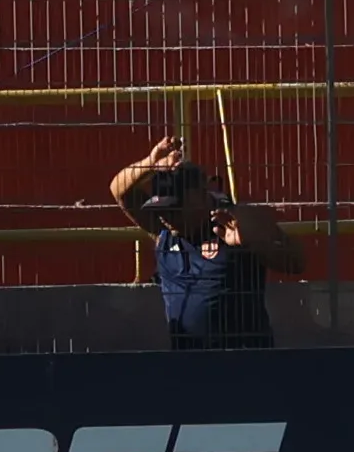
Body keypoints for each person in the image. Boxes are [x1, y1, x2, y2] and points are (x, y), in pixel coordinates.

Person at [109, 132, 304, 347]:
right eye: (160, 209)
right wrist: (150, 163)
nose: (165, 217)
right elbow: (119, 190)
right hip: (189, 361)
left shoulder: (238, 220)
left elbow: (296, 261)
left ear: (200, 196)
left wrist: (251, 244)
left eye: (173, 208)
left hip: (244, 358)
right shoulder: (164, 231)